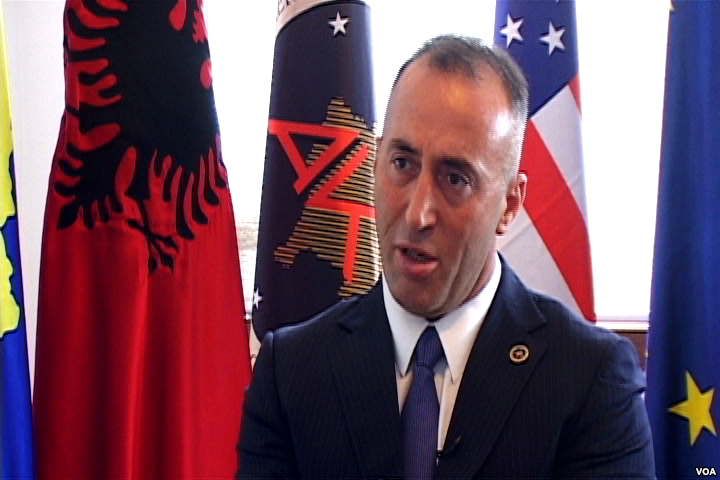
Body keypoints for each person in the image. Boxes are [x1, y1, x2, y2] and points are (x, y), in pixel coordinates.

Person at [239, 35, 655, 480]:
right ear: (374, 164)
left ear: (510, 204)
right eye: (403, 164)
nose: (418, 214)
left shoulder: (589, 381)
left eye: (455, 179)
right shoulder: (291, 373)